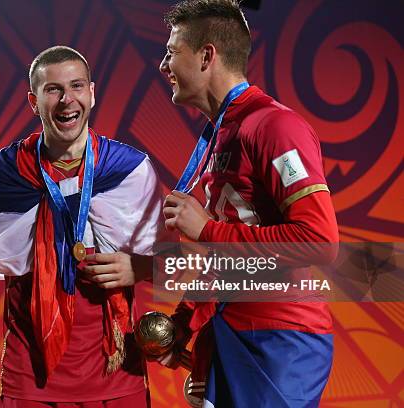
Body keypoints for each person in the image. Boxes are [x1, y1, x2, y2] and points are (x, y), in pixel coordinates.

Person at [0, 46, 166, 407]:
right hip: (31, 381)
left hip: (117, 377)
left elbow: (173, 264)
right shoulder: (4, 175)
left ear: (92, 93)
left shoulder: (129, 170)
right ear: (33, 102)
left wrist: (140, 267)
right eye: (54, 90)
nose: (67, 100)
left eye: (77, 86)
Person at [154, 1, 339, 407]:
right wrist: (187, 319)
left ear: (207, 56)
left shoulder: (276, 126)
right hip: (232, 329)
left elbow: (318, 241)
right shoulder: (223, 133)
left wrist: (207, 229)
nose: (163, 65)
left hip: (281, 340)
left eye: (171, 52)